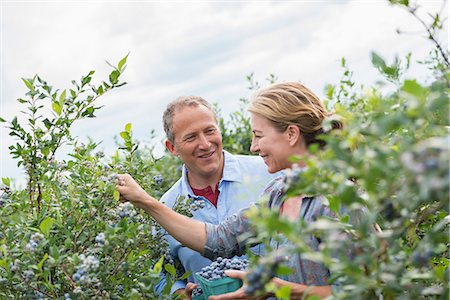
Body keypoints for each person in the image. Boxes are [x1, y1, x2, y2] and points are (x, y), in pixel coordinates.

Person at [116, 82, 352, 299]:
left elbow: (367, 287)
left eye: (259, 135)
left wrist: (276, 289)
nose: (253, 146)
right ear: (173, 147)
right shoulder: (278, 195)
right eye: (191, 137)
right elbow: (221, 240)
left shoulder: (338, 199)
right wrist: (145, 201)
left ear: (291, 134)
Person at [152, 96, 275, 296]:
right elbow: (158, 275)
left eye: (210, 131)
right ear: (172, 148)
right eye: (191, 137)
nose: (205, 144)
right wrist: (178, 292)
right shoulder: (166, 208)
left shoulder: (268, 174)